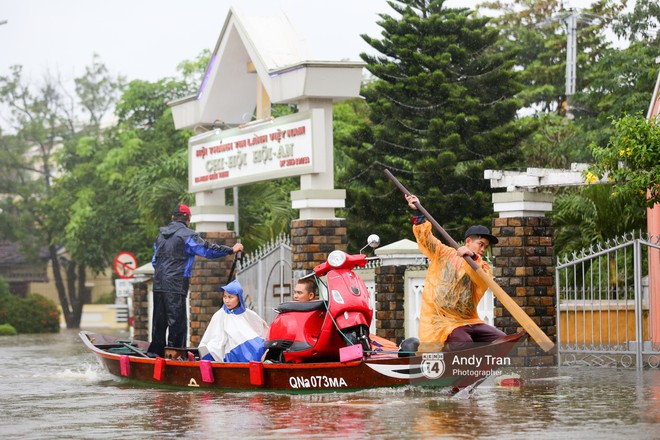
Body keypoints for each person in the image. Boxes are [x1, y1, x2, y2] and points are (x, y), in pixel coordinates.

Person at [405, 194, 505, 351]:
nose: (483, 249)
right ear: (468, 242)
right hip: (442, 320)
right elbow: (425, 239)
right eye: (480, 244)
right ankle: (454, 362)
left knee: (503, 340)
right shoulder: (443, 253)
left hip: (469, 320)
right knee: (464, 343)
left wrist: (472, 256)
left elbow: (481, 280)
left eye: (485, 246)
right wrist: (418, 213)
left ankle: (482, 367)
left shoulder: (482, 265)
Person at [148, 204, 243, 357]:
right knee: (177, 323)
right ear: (188, 219)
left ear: (173, 218)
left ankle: (154, 355)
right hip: (176, 283)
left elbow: (154, 261)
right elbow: (206, 249)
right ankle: (175, 356)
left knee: (159, 322)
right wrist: (231, 250)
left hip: (158, 283)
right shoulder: (188, 235)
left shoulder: (160, 236)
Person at [198, 280, 269, 362]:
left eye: (230, 297)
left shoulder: (248, 314)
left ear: (239, 298)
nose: (227, 301)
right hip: (230, 354)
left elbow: (261, 329)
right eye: (225, 297)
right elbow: (214, 339)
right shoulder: (220, 315)